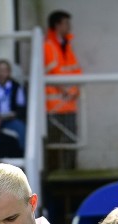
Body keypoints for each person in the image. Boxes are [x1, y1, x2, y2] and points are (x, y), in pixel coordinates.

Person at [44, 10, 81, 170]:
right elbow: (50, 72)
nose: (69, 26)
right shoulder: (47, 46)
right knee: (55, 143)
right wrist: (66, 90)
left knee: (71, 142)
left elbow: (76, 71)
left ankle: (69, 171)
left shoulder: (67, 46)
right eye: (66, 23)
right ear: (58, 25)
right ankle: (55, 172)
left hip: (69, 104)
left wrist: (74, 90)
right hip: (54, 107)